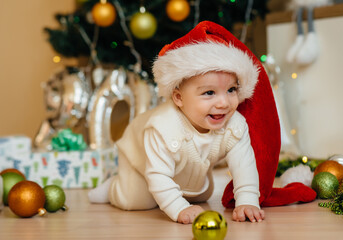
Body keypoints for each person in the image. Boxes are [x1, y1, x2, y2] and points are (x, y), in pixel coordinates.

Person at [88, 20, 265, 224]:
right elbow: (159, 175)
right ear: (179, 98)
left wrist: (248, 200)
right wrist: (179, 209)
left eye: (231, 90)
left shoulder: (234, 124)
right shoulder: (163, 127)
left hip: (185, 166)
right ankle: (112, 188)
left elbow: (244, 164)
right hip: (140, 158)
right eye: (209, 93)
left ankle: (177, 192)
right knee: (137, 200)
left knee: (201, 194)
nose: (224, 103)